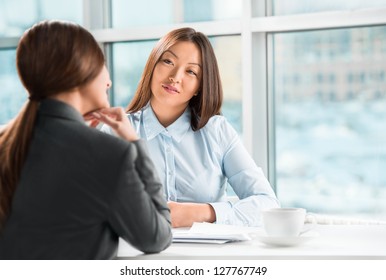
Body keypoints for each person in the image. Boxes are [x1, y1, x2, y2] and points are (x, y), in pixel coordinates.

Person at [0, 20, 172, 259]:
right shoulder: (109, 154)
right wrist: (135, 144)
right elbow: (157, 237)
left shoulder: (6, 141)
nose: (109, 81)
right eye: (102, 64)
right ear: (80, 71)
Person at [100, 27, 280, 228]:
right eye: (168, 61)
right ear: (152, 65)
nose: (175, 77)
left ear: (200, 87)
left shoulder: (217, 132)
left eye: (191, 71)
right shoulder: (116, 131)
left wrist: (202, 213)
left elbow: (267, 203)